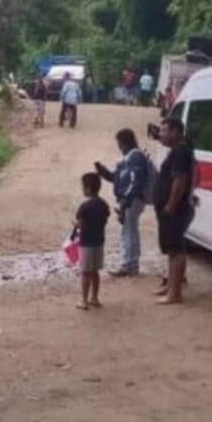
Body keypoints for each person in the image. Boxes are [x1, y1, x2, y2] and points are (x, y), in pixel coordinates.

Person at [95, 129, 149, 277]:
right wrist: (104, 173)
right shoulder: (130, 158)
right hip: (131, 198)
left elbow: (136, 181)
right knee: (129, 231)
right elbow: (117, 178)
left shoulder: (135, 157)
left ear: (124, 143)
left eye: (119, 143)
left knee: (129, 232)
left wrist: (126, 200)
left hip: (133, 199)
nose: (118, 146)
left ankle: (129, 265)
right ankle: (131, 264)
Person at [154, 118, 195, 305]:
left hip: (175, 209)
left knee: (176, 249)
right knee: (172, 249)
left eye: (164, 130)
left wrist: (171, 204)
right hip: (173, 208)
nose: (160, 134)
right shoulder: (179, 150)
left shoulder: (179, 151)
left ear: (175, 132)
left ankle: (175, 293)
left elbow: (180, 181)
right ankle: (171, 285)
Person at [74, 173, 110, 310]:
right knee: (95, 272)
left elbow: (81, 224)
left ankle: (84, 300)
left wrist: (76, 225)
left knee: (85, 272)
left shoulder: (85, 206)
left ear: (88, 189)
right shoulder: (103, 204)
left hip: (86, 243)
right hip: (99, 242)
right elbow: (105, 219)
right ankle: (94, 297)